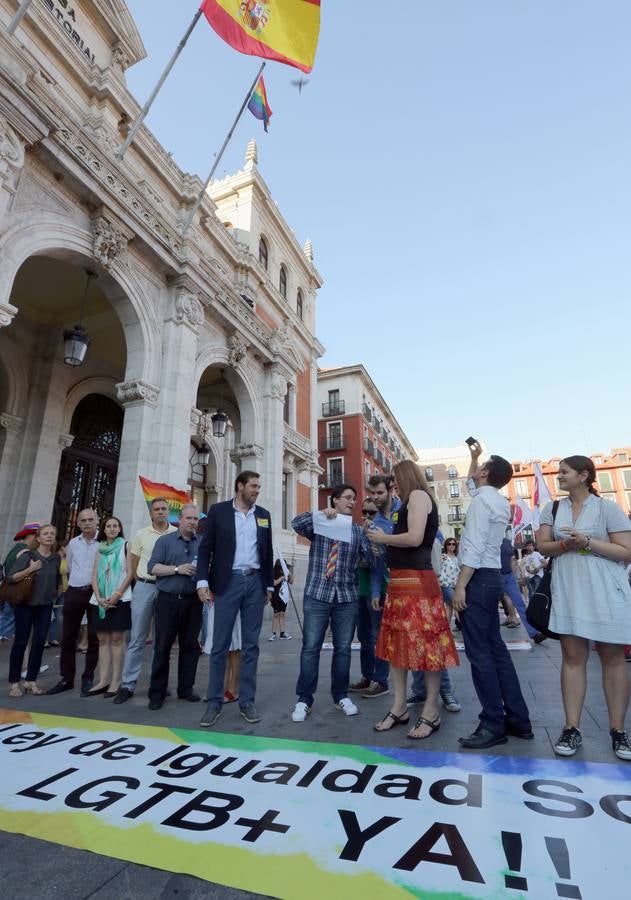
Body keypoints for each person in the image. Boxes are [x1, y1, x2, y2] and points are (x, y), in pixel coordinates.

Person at [537, 455, 631, 761]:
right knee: (572, 658)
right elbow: (542, 546)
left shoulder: (607, 508)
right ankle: (571, 728)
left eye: (564, 472)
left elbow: (627, 552)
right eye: (559, 472)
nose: (559, 476)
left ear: (584, 475)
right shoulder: (552, 508)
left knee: (613, 658)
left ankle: (618, 731)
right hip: (569, 590)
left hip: (606, 590)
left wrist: (587, 542)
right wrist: (566, 545)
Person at [367, 461, 459, 739]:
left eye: (395, 479)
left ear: (405, 476)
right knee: (397, 645)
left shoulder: (418, 496)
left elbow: (416, 537)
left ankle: (430, 710)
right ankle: (399, 707)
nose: (393, 485)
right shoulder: (409, 501)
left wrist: (383, 538)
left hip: (416, 582)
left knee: (428, 646)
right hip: (401, 582)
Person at [453, 441, 532, 749]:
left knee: (480, 654)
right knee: (497, 651)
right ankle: (518, 720)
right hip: (493, 578)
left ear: (486, 473)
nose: (477, 471)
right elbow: (472, 485)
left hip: (477, 579)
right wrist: (474, 457)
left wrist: (461, 585)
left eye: (481, 466)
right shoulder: (496, 501)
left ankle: (491, 723)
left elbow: (473, 547)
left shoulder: (480, 504)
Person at [197, 471, 274, 728]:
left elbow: (267, 551)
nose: (257, 490)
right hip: (226, 582)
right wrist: (202, 581)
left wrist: (268, 585)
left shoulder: (263, 515)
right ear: (240, 486)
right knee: (220, 645)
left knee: (251, 646)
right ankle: (214, 703)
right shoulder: (218, 511)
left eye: (258, 486)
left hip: (255, 582)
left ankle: (247, 701)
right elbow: (205, 548)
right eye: (253, 486)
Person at [291, 484, 370, 722]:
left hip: (346, 597)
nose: (352, 502)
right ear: (334, 500)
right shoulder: (320, 523)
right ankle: (304, 698)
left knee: (343, 649)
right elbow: (296, 524)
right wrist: (319, 515)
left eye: (354, 499)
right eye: (347, 497)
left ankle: (341, 696)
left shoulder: (357, 531)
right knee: (310, 647)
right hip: (317, 593)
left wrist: (370, 536)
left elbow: (369, 558)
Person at [112, 498, 176, 704]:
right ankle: (128, 685)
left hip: (167, 588)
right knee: (137, 638)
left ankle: (158, 684)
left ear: (168, 512)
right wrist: (141, 580)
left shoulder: (175, 533)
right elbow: (134, 564)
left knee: (162, 640)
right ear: (151, 513)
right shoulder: (140, 534)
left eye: (163, 509)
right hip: (145, 586)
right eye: (156, 509)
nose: (160, 512)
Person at [146, 504, 203, 710]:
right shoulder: (165, 541)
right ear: (180, 519)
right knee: (162, 647)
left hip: (193, 601)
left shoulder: (202, 542)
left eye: (195, 519)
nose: (192, 522)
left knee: (191, 647)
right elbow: (152, 567)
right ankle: (157, 692)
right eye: (189, 518)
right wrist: (178, 569)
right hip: (168, 601)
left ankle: (186, 688)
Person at [350, 475, 401, 699]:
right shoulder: (362, 528)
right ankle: (368, 676)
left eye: (371, 512)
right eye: (365, 512)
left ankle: (381, 679)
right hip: (362, 588)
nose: (368, 516)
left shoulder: (397, 516)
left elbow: (379, 561)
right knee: (364, 636)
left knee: (379, 634)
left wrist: (378, 543)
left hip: (383, 587)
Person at [47, 509, 99, 696]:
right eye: (83, 520)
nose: (87, 523)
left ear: (97, 521)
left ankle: (88, 677)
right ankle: (67, 678)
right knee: (68, 637)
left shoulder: (104, 542)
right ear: (78, 523)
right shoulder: (73, 543)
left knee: (94, 637)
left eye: (90, 519)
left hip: (95, 593)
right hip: (75, 592)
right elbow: (69, 566)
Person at [407, 537, 462, 713]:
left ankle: (445, 690)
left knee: (434, 646)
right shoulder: (402, 537)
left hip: (428, 597)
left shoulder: (434, 542)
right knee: (415, 646)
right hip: (408, 595)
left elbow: (438, 576)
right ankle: (420, 691)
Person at [7, 524, 60, 697]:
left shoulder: (56, 558)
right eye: (45, 533)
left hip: (45, 606)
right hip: (25, 605)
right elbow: (11, 577)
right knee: (21, 643)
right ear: (38, 538)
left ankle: (31, 681)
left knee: (39, 643)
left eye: (52, 534)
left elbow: (57, 578)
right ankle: (14, 683)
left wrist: (56, 592)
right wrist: (31, 569)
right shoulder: (28, 555)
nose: (49, 536)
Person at [85, 516, 133, 697]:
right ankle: (103, 680)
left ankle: (116, 681)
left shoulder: (126, 545)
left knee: (117, 639)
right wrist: (99, 597)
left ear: (120, 529)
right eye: (108, 526)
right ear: (103, 529)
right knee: (103, 640)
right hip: (100, 600)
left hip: (120, 598)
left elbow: (130, 573)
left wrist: (117, 594)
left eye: (115, 526)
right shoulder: (100, 548)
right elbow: (94, 575)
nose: (112, 529)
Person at [0, 523, 40, 642]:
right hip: (16, 593)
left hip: (9, 591)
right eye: (37, 536)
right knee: (4, 628)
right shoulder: (25, 551)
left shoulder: (16, 548)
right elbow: (17, 575)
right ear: (31, 536)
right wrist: (31, 573)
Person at [500, 531, 540, 640]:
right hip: (494, 575)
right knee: (490, 606)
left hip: (508, 576)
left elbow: (512, 560)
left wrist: (516, 576)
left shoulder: (507, 542)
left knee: (520, 604)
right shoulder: (488, 540)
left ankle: (534, 633)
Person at [269, 559, 293, 640]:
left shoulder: (285, 572)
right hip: (276, 596)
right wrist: (282, 578)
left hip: (284, 597)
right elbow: (274, 583)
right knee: (276, 615)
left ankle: (282, 633)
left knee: (282, 614)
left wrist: (290, 575)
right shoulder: (273, 572)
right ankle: (273, 633)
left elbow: (291, 582)